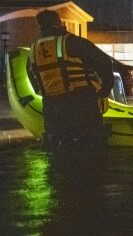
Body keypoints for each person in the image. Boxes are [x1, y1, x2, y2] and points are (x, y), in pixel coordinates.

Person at [27, 10, 114, 151]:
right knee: (91, 156)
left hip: (52, 110)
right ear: (58, 22)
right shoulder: (74, 42)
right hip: (82, 105)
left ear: (40, 26)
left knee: (60, 155)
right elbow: (104, 62)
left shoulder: (33, 50)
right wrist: (104, 91)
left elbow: (34, 80)